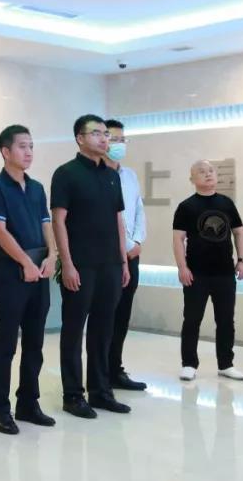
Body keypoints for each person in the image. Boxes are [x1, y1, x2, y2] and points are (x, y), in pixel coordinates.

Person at [52, 114, 131, 419]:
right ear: (80, 138)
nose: (103, 138)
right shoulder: (66, 173)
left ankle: (100, 391)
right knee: (73, 331)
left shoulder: (112, 175)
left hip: (110, 264)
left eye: (105, 134)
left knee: (103, 329)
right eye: (96, 133)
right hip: (80, 265)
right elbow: (59, 221)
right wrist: (67, 264)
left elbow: (118, 220)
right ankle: (73, 395)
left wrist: (123, 261)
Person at [0, 124, 57, 435]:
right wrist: (26, 262)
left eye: (31, 146)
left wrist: (53, 256)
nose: (28, 152)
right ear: (5, 151)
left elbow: (46, 224)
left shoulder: (37, 188)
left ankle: (28, 403)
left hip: (40, 270)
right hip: (10, 273)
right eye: (22, 146)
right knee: (5, 343)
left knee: (35, 341)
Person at [172, 160, 243, 382]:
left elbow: (239, 233)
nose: (208, 174)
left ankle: (226, 364)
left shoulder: (226, 203)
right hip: (196, 273)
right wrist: (182, 267)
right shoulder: (186, 206)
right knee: (192, 319)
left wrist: (242, 260)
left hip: (225, 272)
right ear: (192, 179)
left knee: (226, 320)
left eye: (211, 171)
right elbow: (178, 239)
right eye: (202, 172)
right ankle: (189, 364)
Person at [102, 119, 148, 392]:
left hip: (132, 253)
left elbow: (138, 209)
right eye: (113, 139)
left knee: (122, 315)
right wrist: (127, 244)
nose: (119, 144)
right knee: (105, 316)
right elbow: (107, 218)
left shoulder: (129, 175)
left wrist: (138, 241)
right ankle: (100, 374)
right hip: (108, 254)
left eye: (122, 139)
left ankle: (115, 369)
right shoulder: (97, 175)